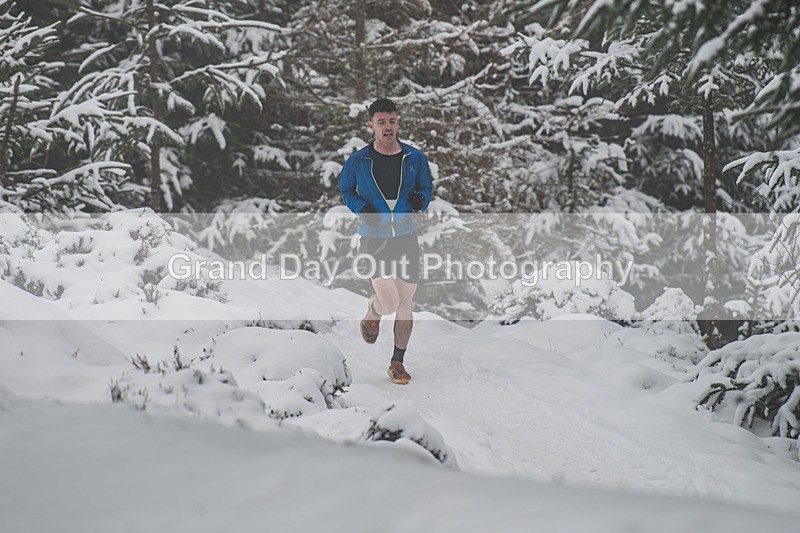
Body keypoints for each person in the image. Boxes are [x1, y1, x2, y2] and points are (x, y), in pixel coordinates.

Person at [339, 97, 433, 385]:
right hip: (376, 238)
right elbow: (346, 190)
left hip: (406, 235)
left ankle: (397, 363)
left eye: (392, 121)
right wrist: (362, 209)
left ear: (397, 122)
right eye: (382, 122)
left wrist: (422, 199)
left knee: (406, 301)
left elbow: (425, 187)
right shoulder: (358, 161)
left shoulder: (414, 158)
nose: (388, 127)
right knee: (390, 302)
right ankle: (375, 310)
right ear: (372, 125)